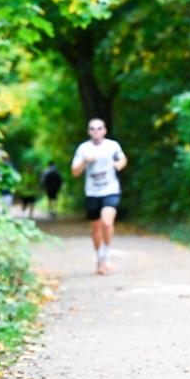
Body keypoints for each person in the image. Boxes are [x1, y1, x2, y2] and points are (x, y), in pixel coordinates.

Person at [71, 118, 128, 275]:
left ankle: (106, 254)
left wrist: (118, 165)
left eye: (99, 128)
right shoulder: (83, 149)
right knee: (96, 227)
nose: (96, 131)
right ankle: (99, 258)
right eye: (93, 128)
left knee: (107, 222)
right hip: (92, 192)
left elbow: (122, 159)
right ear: (89, 131)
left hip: (110, 190)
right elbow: (75, 172)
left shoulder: (112, 146)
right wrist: (85, 161)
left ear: (104, 130)